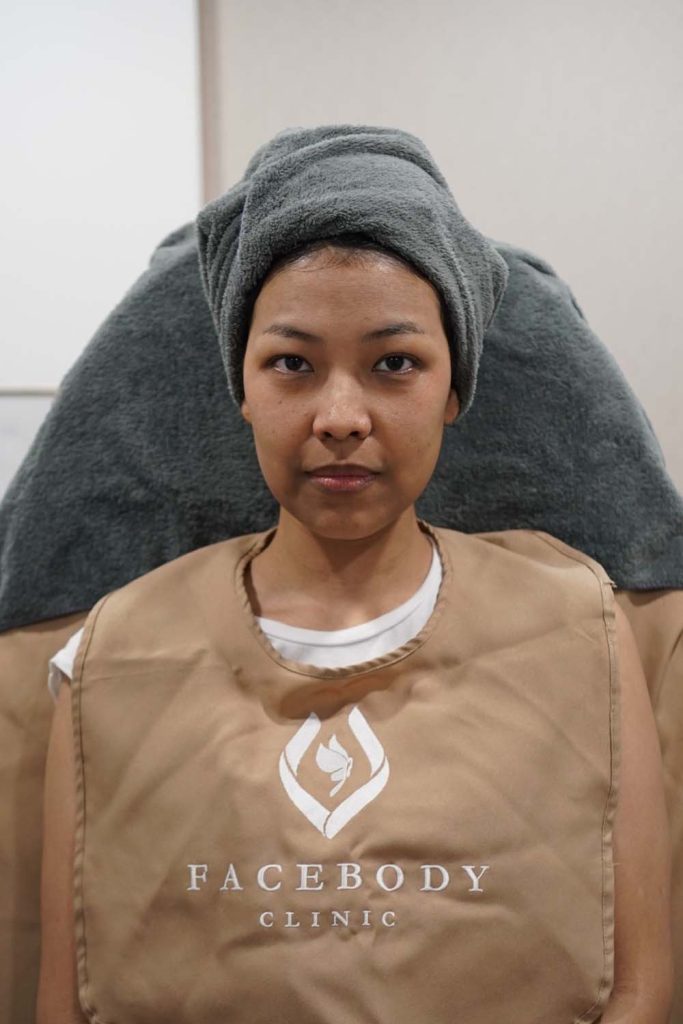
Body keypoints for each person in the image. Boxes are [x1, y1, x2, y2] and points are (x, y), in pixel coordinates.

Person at [37, 126, 673, 1023]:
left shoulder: (582, 631)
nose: (340, 416)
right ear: (241, 387)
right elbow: (65, 1002)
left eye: (394, 364)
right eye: (292, 364)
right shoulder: (111, 658)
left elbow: (642, 991)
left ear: (454, 388)